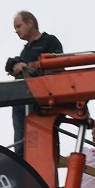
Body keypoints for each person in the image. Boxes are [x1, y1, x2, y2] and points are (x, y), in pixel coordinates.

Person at [4, 11, 62, 156]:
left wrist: (27, 67)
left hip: (42, 101)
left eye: (19, 26)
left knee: (42, 144)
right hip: (22, 100)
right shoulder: (25, 51)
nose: (16, 31)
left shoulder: (50, 41)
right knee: (21, 144)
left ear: (30, 23)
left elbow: (58, 69)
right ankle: (21, 162)